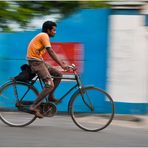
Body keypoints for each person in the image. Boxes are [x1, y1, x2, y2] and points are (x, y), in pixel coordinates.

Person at [27, 21, 70, 118]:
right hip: (35, 62)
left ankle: (50, 96)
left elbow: (51, 52)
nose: (55, 32)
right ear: (48, 30)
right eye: (54, 30)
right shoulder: (44, 35)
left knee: (59, 74)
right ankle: (33, 106)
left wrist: (63, 64)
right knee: (49, 84)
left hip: (39, 61)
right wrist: (62, 65)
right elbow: (50, 51)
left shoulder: (44, 37)